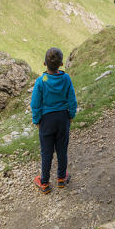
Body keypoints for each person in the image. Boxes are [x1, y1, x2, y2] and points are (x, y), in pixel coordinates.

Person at [31, 47, 77, 194]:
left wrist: (36, 120)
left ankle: (44, 182)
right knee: (62, 149)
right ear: (61, 64)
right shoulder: (66, 78)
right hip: (63, 119)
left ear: (44, 63)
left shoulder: (40, 81)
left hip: (46, 121)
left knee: (47, 152)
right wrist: (71, 115)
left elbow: (36, 104)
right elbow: (72, 99)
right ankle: (62, 178)